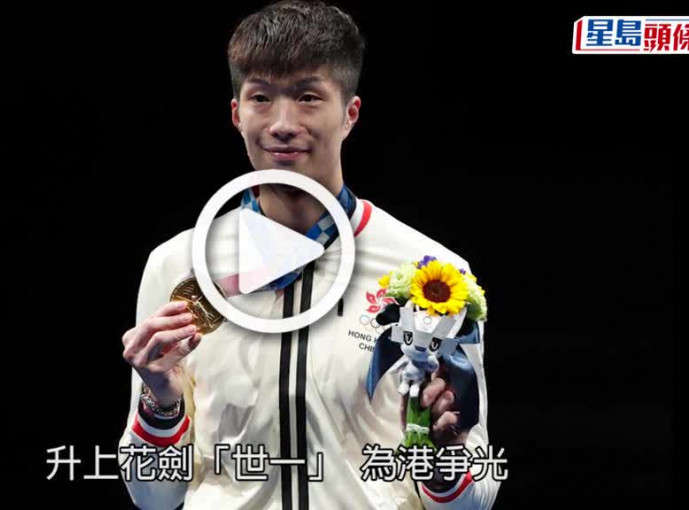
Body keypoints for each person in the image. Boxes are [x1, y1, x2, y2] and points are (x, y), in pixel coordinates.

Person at [118, 1, 500, 508]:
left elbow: (476, 499)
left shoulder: (433, 275)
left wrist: (442, 454)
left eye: (307, 97)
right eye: (260, 97)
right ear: (236, 114)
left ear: (350, 114)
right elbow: (153, 498)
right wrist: (159, 405)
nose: (282, 123)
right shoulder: (178, 264)